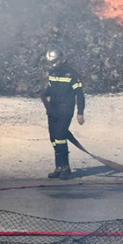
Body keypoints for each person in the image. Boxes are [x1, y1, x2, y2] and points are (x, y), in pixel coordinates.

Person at [41, 47, 86, 180]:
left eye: (54, 62)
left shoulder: (71, 74)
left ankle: (66, 168)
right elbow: (50, 90)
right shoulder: (52, 73)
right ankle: (58, 167)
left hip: (65, 110)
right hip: (53, 109)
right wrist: (41, 91)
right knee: (54, 138)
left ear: (60, 59)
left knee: (61, 137)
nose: (52, 65)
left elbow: (80, 95)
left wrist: (80, 113)